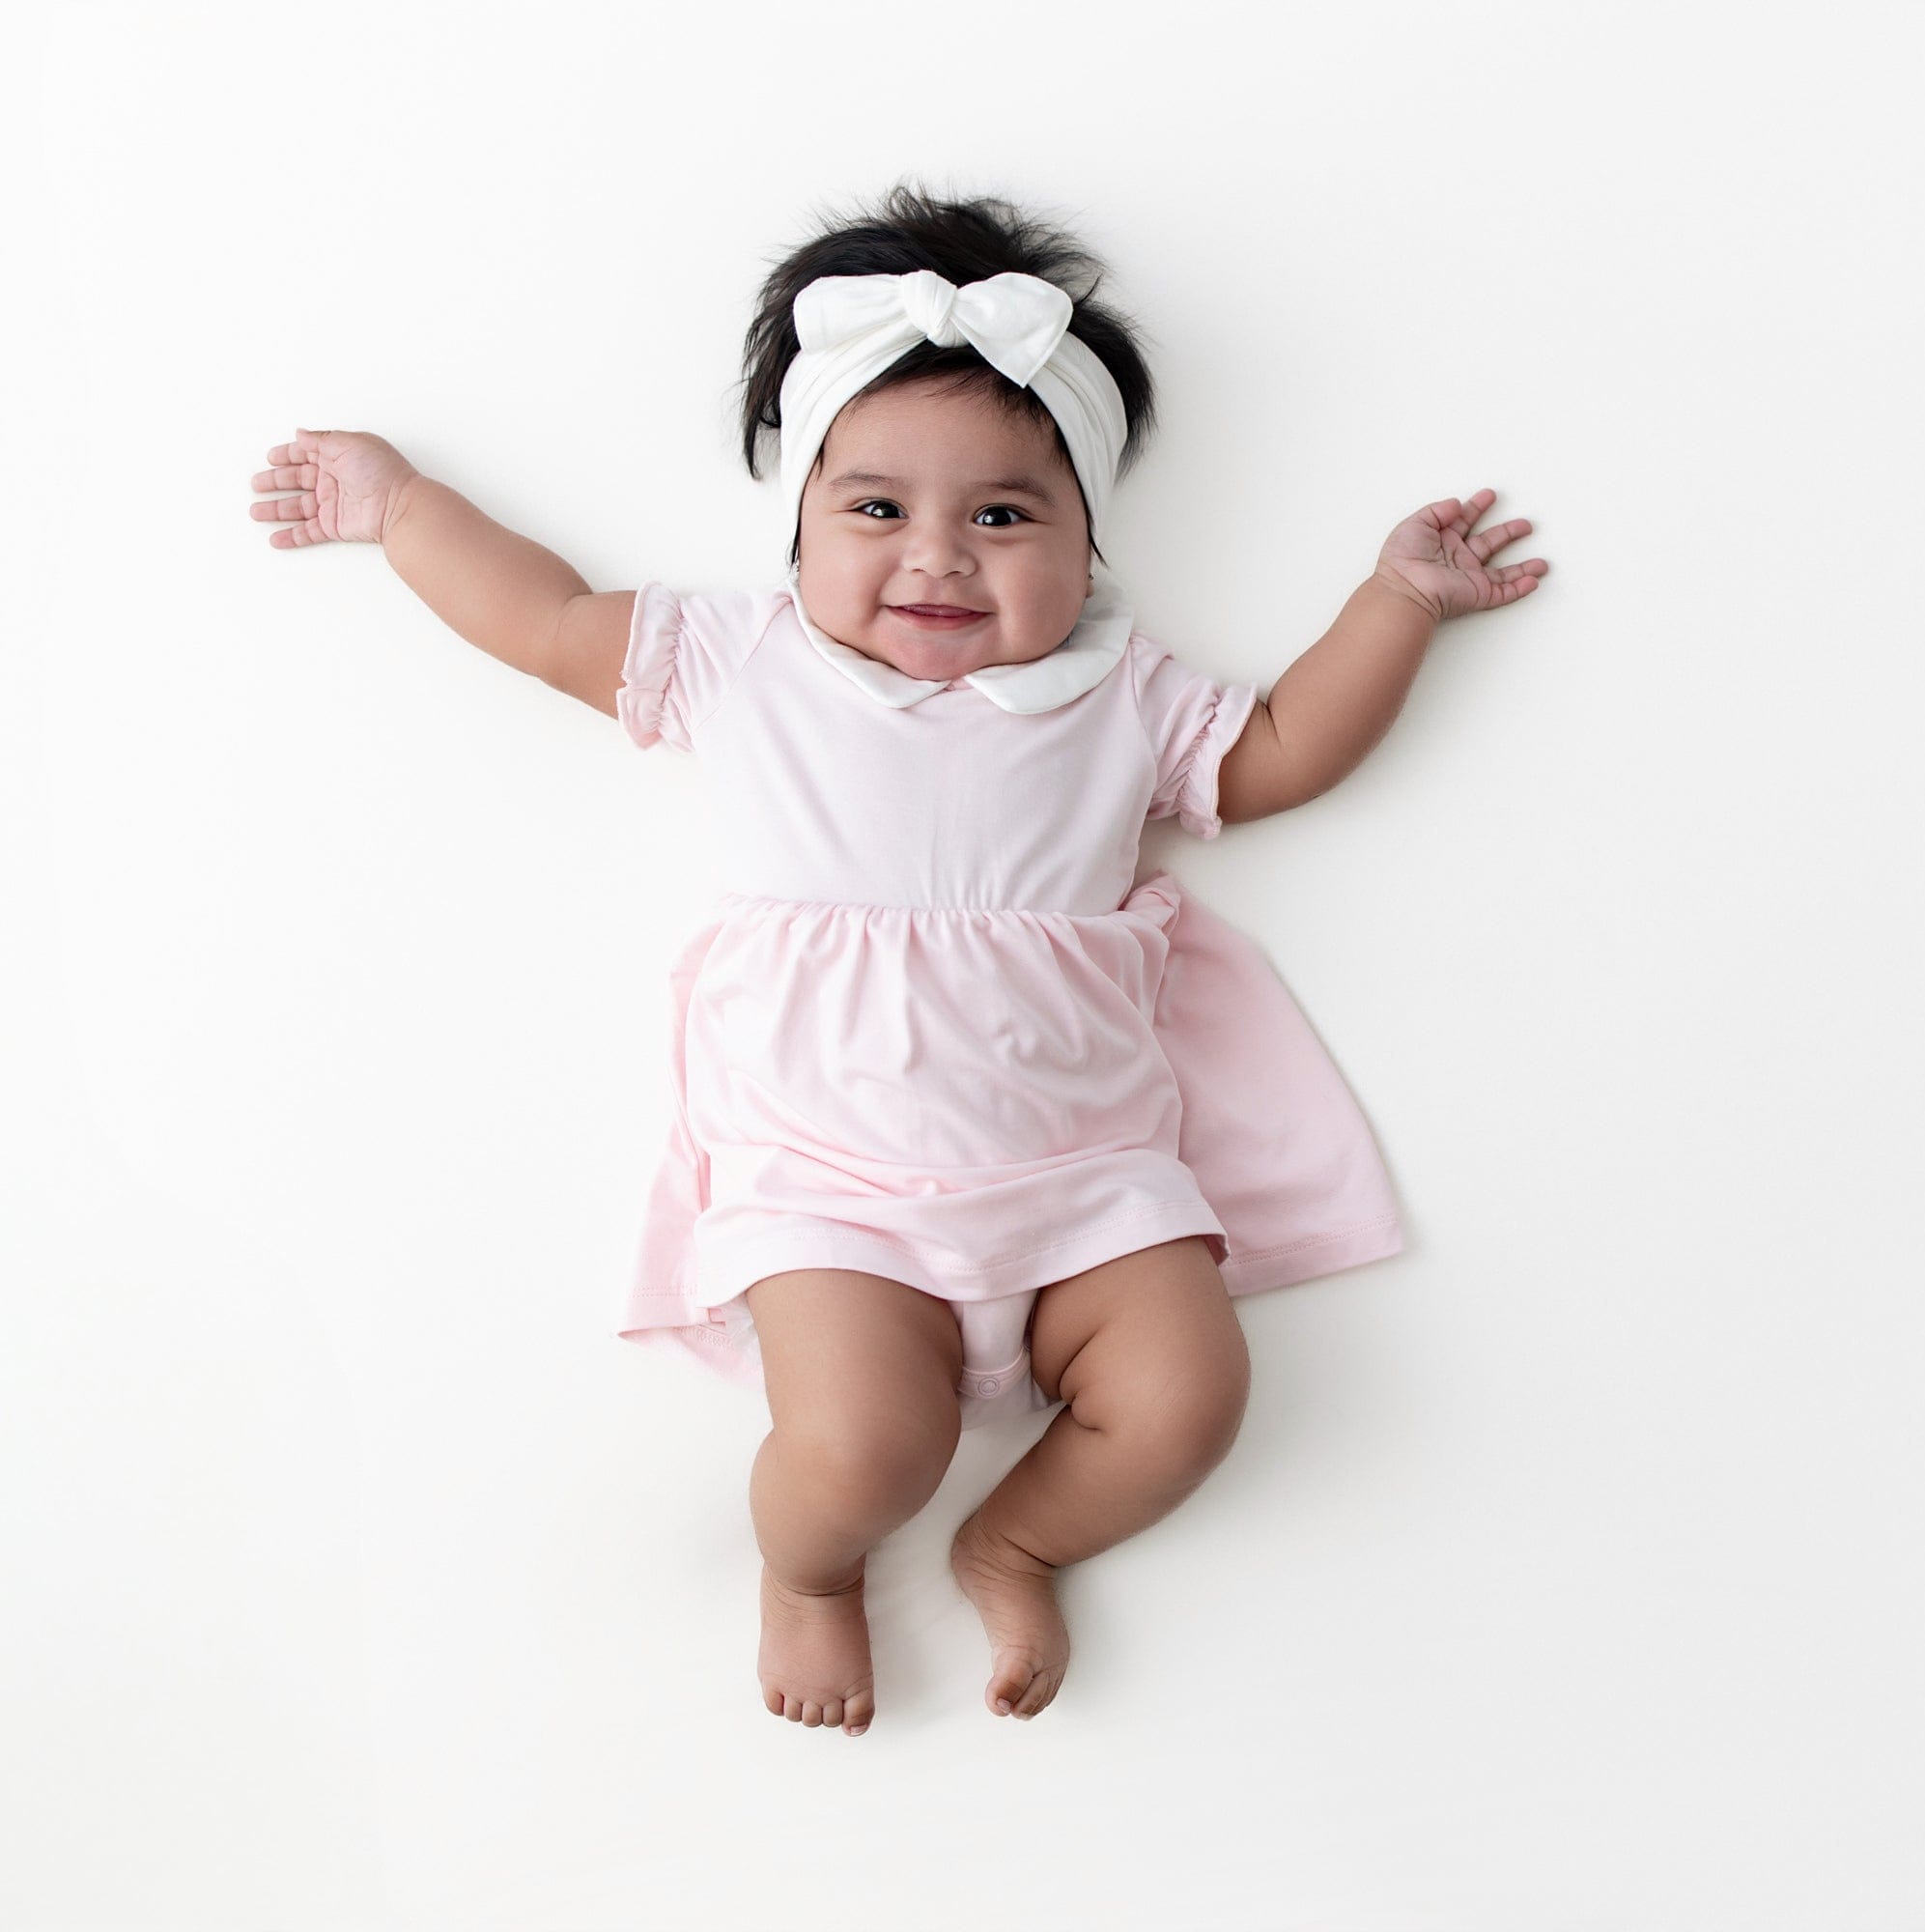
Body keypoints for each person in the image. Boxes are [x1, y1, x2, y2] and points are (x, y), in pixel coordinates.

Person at [247, 180, 1547, 1743]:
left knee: (1192, 1399)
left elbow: (1275, 753)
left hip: (1088, 1182)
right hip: (829, 1188)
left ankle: (1021, 1540)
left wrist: (1396, 603)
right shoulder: (741, 665)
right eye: (875, 510)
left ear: (1086, 541)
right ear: (796, 525)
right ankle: (810, 1576)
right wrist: (399, 508)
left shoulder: (1118, 695)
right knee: (863, 1449)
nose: (937, 558)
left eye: (1003, 515)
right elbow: (541, 619)